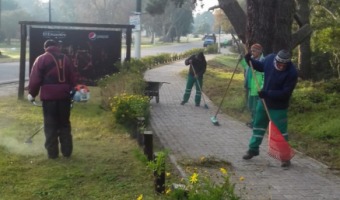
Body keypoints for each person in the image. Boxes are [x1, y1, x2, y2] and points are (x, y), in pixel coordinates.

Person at [242, 49, 298, 167]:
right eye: (279, 64)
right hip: (263, 103)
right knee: (258, 127)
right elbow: (260, 66)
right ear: (275, 61)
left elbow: (285, 93)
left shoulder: (292, 72)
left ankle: (285, 157)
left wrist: (267, 93)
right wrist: (249, 60)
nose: (281, 66)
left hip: (278, 107)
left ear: (288, 63)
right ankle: (253, 149)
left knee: (280, 133)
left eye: (284, 65)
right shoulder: (270, 59)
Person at [27, 39, 77, 159]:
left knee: (50, 125)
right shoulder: (66, 59)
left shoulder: (41, 59)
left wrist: (32, 94)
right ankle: (67, 152)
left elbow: (35, 79)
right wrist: (71, 93)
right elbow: (73, 78)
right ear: (57, 46)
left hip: (49, 99)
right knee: (64, 124)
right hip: (64, 97)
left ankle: (53, 154)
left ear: (46, 48)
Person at [240, 43, 264, 128]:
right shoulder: (251, 59)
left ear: (259, 52)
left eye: (254, 51)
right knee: (251, 106)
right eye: (252, 50)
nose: (252, 52)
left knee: (256, 107)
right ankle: (253, 121)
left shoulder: (262, 61)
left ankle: (256, 123)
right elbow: (245, 66)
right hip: (250, 85)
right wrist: (242, 60)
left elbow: (263, 75)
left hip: (257, 87)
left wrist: (261, 87)